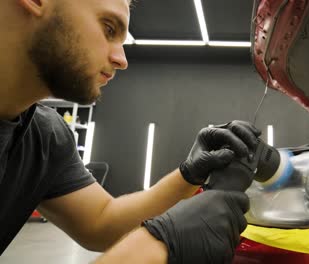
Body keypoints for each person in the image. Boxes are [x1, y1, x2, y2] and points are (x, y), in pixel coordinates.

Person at [0, 0, 261, 263]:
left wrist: (188, 176)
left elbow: (100, 223)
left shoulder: (45, 137)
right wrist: (154, 246)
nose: (122, 60)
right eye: (109, 28)